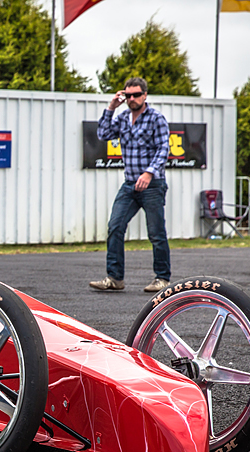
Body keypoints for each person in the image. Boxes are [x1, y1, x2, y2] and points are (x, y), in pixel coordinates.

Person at [90, 77, 170, 293]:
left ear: (145, 95)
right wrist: (111, 107)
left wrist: (149, 173)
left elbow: (164, 148)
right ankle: (115, 278)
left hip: (152, 184)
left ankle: (162, 278)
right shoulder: (123, 118)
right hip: (130, 184)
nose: (132, 98)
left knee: (156, 232)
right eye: (128, 95)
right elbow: (103, 134)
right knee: (115, 226)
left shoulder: (156, 118)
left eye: (136, 95)